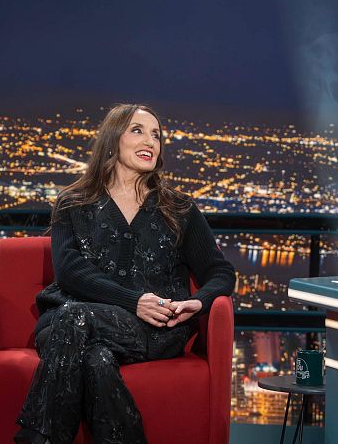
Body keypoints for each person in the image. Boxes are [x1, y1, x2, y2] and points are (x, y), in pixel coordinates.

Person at [14, 104, 236, 444]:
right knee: (95, 360)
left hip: (152, 329)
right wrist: (134, 300)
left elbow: (221, 273)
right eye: (137, 130)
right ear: (113, 139)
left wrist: (198, 302)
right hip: (70, 318)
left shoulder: (179, 208)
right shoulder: (74, 202)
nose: (150, 140)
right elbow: (71, 272)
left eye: (156, 134)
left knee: (75, 323)